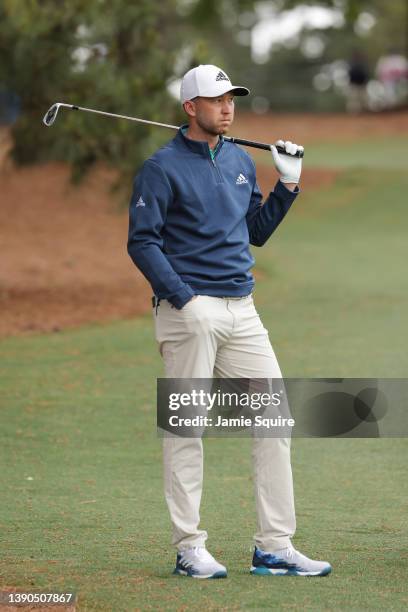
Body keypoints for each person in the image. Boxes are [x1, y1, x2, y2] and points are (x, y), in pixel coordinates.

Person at [128, 64, 332, 579]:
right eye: (217, 100)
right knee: (186, 429)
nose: (228, 107)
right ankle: (189, 547)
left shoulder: (241, 160)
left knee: (272, 419)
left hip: (243, 310)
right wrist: (182, 299)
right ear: (190, 108)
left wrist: (287, 185)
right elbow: (142, 241)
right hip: (188, 312)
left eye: (232, 99)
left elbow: (254, 233)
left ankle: (274, 546)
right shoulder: (161, 167)